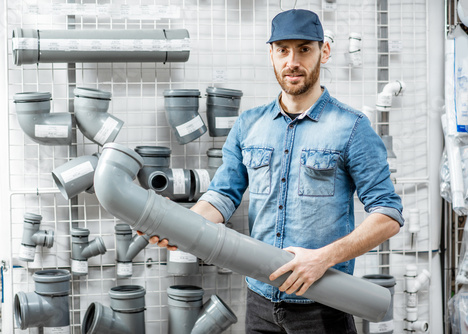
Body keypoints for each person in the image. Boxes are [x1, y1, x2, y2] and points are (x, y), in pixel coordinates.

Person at [149, 8, 403, 334]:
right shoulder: (248, 125)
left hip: (323, 307)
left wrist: (323, 258)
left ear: (324, 51)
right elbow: (222, 196)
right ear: (271, 54)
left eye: (304, 49)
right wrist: (179, 228)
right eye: (282, 49)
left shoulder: (352, 128)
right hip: (260, 305)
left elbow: (388, 215)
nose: (292, 61)